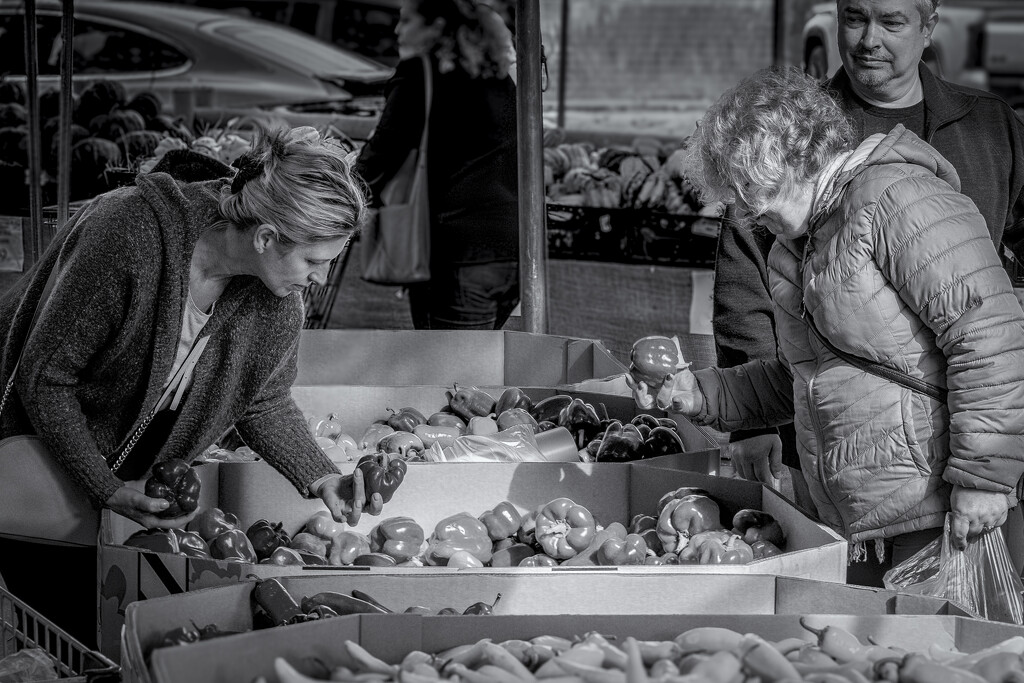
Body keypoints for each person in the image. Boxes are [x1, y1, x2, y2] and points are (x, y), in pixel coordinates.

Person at [631, 66, 1024, 587]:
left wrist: (984, 479)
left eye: (749, 185)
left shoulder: (898, 199)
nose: (746, 209)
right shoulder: (801, 244)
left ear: (791, 155)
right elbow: (805, 377)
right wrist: (698, 393)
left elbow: (990, 337)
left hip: (939, 511)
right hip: (865, 519)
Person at [0, 125, 384, 643]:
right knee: (43, 632)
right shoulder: (129, 234)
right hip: (30, 464)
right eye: (314, 261)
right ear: (266, 237)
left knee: (99, 636)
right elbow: (46, 378)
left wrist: (321, 478)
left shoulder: (277, 304)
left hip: (120, 492)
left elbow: (264, 400)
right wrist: (103, 485)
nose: (319, 278)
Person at [711, 0, 1024, 515]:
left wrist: (1006, 360)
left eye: (892, 22)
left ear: (929, 26)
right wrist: (752, 422)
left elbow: (986, 324)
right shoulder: (798, 134)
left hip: (963, 449)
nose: (868, 39)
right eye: (855, 19)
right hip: (833, 449)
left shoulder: (991, 126)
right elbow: (743, 274)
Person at [355, 0, 519, 330]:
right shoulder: (500, 76)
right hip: (513, 250)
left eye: (407, 20)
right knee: (475, 368)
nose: (398, 29)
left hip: (456, 254)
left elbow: (381, 156)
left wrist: (335, 189)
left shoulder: (420, 73)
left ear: (437, 27)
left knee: (452, 375)